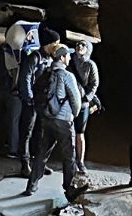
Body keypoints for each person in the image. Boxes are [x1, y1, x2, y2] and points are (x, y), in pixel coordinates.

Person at [24, 46, 84, 198]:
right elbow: (76, 100)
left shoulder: (45, 73)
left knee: (42, 153)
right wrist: (73, 115)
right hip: (63, 121)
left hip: (47, 119)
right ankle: (69, 188)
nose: (69, 58)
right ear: (63, 58)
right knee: (69, 155)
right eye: (68, 56)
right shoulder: (66, 75)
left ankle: (32, 185)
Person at [16, 28, 61, 177]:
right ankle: (25, 164)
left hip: (43, 102)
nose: (57, 46)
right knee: (27, 132)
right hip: (32, 101)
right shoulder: (34, 58)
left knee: (40, 133)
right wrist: (29, 98)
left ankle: (39, 163)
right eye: (55, 43)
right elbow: (25, 77)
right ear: (48, 43)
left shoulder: (49, 58)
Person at [0, 21, 40, 158]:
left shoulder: (10, 52)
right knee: (24, 123)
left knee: (15, 120)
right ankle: (21, 149)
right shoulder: (31, 54)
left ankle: (14, 148)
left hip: (16, 91)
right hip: (23, 92)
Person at [69, 39, 100, 175]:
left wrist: (86, 98)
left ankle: (79, 161)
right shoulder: (69, 61)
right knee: (68, 131)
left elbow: (94, 84)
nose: (79, 47)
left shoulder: (90, 65)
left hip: (83, 103)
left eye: (83, 45)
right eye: (78, 44)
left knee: (79, 132)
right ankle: (70, 161)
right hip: (69, 102)